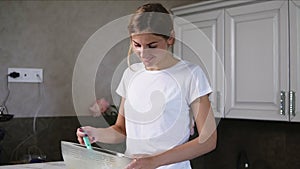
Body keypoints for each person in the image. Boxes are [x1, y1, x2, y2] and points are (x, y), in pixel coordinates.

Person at [77, 3, 217, 169]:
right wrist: (95, 133)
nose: (143, 53)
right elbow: (121, 130)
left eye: (152, 46)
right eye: (137, 45)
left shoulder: (191, 75)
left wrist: (154, 161)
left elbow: (208, 140)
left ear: (170, 37)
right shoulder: (131, 74)